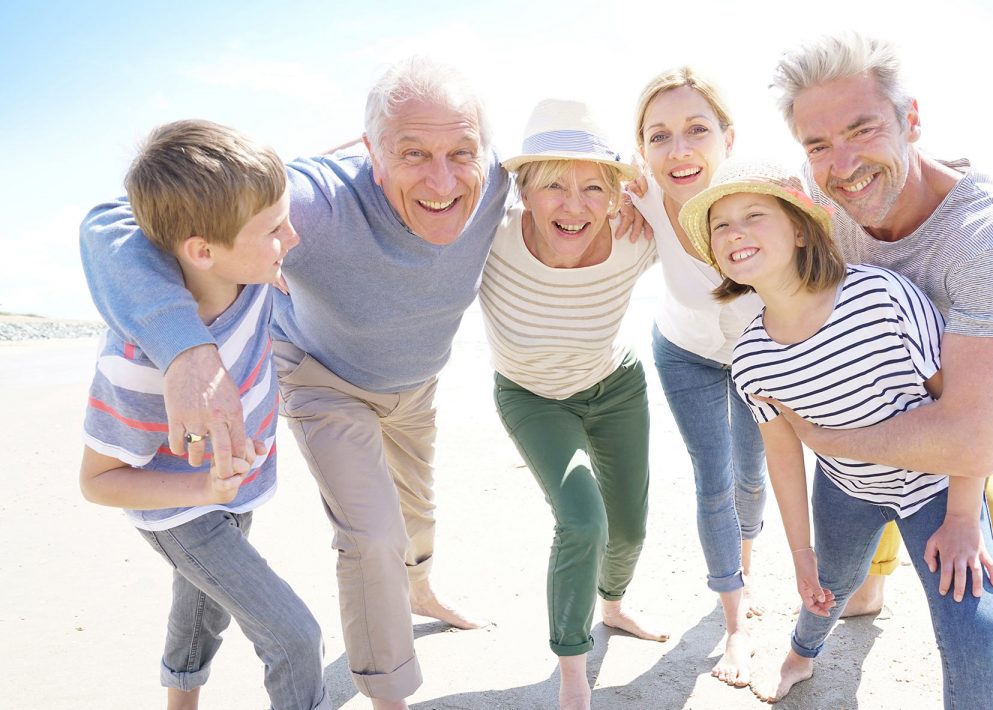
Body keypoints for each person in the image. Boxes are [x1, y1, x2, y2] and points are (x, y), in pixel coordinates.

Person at [80, 58, 508, 710]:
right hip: (323, 379)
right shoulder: (311, 207)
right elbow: (117, 223)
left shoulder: (497, 181)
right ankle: (390, 693)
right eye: (412, 153)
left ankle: (418, 588)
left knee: (412, 524)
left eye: (461, 151)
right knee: (367, 543)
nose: (443, 179)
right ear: (371, 151)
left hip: (414, 385)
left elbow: (585, 180)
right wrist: (186, 350)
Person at [771, 32, 993, 709]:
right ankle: (869, 587)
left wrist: (958, 510)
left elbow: (971, 436)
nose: (842, 165)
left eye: (861, 129)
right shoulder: (828, 212)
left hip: (984, 359)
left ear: (910, 120)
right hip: (891, 368)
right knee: (880, 450)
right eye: (818, 145)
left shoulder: (988, 236)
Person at [680, 157, 993, 707]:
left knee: (974, 623)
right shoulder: (751, 360)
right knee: (825, 587)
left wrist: (960, 516)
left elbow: (957, 407)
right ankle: (799, 657)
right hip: (846, 490)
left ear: (803, 230)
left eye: (753, 214)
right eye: (720, 225)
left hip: (937, 489)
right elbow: (782, 457)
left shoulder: (881, 295)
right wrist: (800, 554)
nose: (734, 231)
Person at [79, 120, 327, 710]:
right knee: (295, 637)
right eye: (273, 229)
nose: (292, 236)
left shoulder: (251, 276)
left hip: (234, 493)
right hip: (181, 513)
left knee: (201, 612)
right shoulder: (137, 365)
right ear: (201, 250)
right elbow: (96, 482)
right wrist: (202, 484)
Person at [482, 99, 666, 710]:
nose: (574, 204)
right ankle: (571, 668)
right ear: (524, 192)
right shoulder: (489, 240)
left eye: (594, 186)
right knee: (583, 520)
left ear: (616, 195)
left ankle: (613, 604)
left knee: (630, 527)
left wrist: (654, 193)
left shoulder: (637, 239)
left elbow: (712, 221)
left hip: (614, 385)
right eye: (554, 185)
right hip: (532, 396)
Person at [630, 68, 767, 688]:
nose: (678, 151)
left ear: (728, 138)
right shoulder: (642, 195)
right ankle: (734, 621)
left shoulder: (768, 195)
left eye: (696, 130)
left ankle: (743, 565)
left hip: (761, 357)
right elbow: (545, 178)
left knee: (752, 474)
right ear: (641, 149)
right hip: (683, 351)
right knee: (714, 479)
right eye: (659, 136)